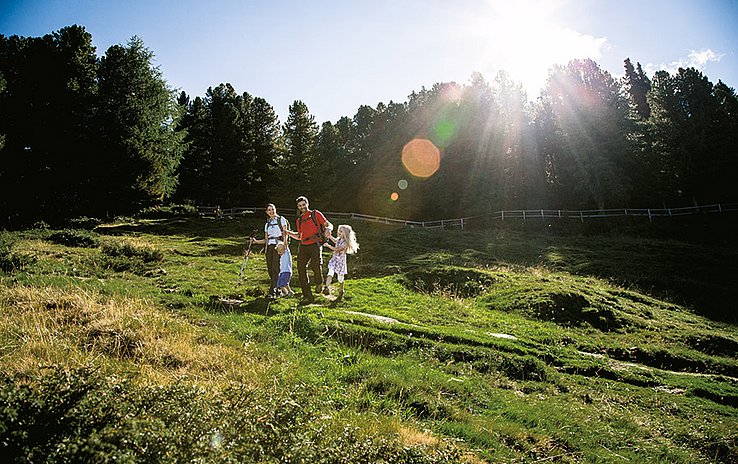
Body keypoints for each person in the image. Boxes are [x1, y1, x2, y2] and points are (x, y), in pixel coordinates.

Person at [286, 196, 332, 304]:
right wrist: (288, 232)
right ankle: (307, 296)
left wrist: (329, 229)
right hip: (303, 246)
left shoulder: (315, 214)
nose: (302, 207)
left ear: (307, 204)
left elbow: (327, 224)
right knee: (301, 269)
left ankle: (318, 282)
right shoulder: (299, 220)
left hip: (315, 244)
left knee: (315, 265)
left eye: (303, 204)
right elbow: (299, 236)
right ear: (298, 207)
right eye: (300, 206)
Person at [250, 203, 289, 298]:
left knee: (276, 268)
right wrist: (256, 242)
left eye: (272, 209)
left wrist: (285, 245)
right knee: (270, 269)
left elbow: (285, 233)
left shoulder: (281, 219)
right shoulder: (267, 224)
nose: (271, 211)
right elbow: (266, 240)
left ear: (275, 209)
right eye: (269, 210)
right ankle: (278, 288)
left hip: (278, 246)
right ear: (266, 212)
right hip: (269, 247)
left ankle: (273, 291)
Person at [323, 224, 359, 299]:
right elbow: (335, 240)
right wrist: (329, 236)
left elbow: (337, 249)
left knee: (340, 278)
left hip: (341, 262)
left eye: (341, 231)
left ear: (345, 233)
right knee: (330, 272)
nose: (339, 232)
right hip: (334, 259)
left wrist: (328, 246)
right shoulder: (339, 239)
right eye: (339, 230)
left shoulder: (345, 243)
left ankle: (341, 290)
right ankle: (326, 287)